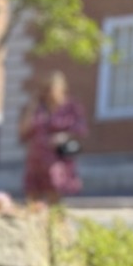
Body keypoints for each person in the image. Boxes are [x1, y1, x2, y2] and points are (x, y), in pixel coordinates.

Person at [20, 71, 86, 203]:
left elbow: (81, 130)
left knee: (54, 191)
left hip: (57, 157)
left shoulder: (71, 107)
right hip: (36, 159)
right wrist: (33, 105)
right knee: (32, 196)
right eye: (46, 89)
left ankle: (55, 220)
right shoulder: (38, 108)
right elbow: (23, 132)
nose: (49, 92)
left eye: (51, 88)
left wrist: (63, 136)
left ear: (62, 88)